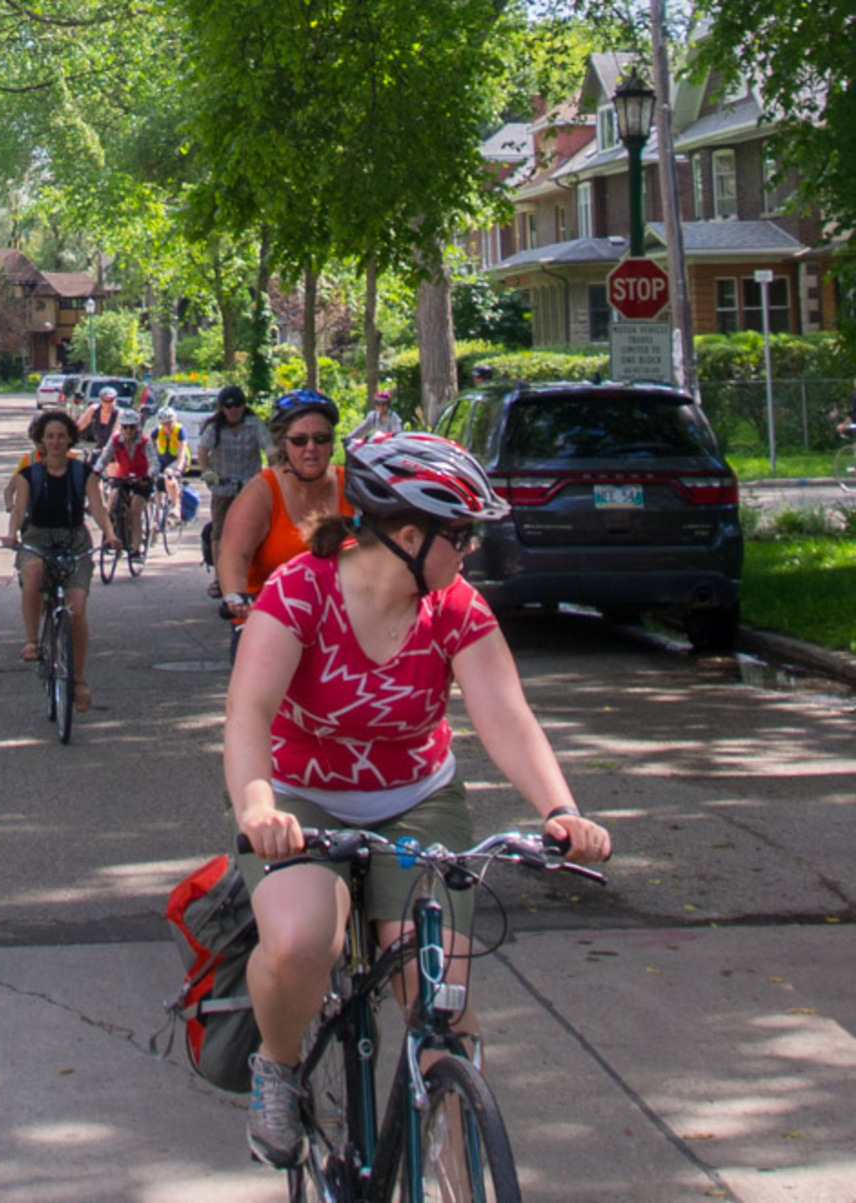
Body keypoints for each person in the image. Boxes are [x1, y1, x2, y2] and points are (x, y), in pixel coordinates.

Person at [224, 432, 613, 1169]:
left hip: (417, 801)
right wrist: (256, 807)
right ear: (409, 535)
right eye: (458, 536)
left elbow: (504, 713)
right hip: (304, 801)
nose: (467, 552)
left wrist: (560, 810)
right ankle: (276, 1068)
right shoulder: (300, 591)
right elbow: (248, 712)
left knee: (444, 1007)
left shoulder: (453, 606)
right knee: (307, 941)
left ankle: (459, 1153)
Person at [2, 409, 122, 713]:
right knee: (33, 570)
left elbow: (97, 507)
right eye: (50, 436)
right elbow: (19, 510)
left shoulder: (83, 473)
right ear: (41, 440)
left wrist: (109, 534)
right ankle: (32, 640)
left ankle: (78, 679)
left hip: (74, 540)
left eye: (61, 436)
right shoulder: (30, 474)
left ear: (70, 439)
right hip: (38, 538)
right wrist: (13, 534)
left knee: (77, 609)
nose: (55, 442)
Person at [216, 389, 351, 655]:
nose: (311, 448)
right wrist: (235, 596)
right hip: (272, 626)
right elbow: (233, 554)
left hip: (340, 627)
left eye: (321, 439)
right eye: (300, 441)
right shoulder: (262, 492)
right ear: (283, 444)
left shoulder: (353, 487)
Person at [197, 385, 274, 596]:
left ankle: (259, 572)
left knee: (260, 528)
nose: (234, 411)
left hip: (250, 487)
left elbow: (268, 447)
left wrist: (274, 463)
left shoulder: (254, 424)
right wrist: (207, 472)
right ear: (222, 408)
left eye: (238, 405)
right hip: (224, 487)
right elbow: (203, 450)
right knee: (220, 531)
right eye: (229, 406)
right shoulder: (215, 428)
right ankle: (220, 579)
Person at [99, 407, 160, 561]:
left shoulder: (145, 442)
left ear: (137, 427)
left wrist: (149, 475)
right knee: (112, 501)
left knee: (135, 509)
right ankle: (109, 537)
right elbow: (104, 458)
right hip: (123, 477)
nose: (128, 431)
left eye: (131, 427)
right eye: (125, 427)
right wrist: (96, 470)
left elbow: (154, 462)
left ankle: (135, 549)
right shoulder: (115, 440)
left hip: (142, 479)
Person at [150, 405, 191, 523]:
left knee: (169, 474)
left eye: (169, 423)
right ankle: (158, 508)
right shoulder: (157, 431)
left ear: (174, 421)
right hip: (163, 459)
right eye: (164, 423)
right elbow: (148, 449)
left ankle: (175, 507)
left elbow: (181, 453)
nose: (167, 426)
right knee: (155, 476)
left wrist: (177, 470)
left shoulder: (180, 430)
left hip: (178, 460)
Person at [74, 386, 121, 453]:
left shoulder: (119, 413)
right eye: (105, 401)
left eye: (110, 401)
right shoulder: (94, 410)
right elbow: (79, 426)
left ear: (115, 400)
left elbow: (115, 434)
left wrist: (108, 448)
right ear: (100, 400)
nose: (107, 404)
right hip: (100, 448)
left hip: (116, 449)